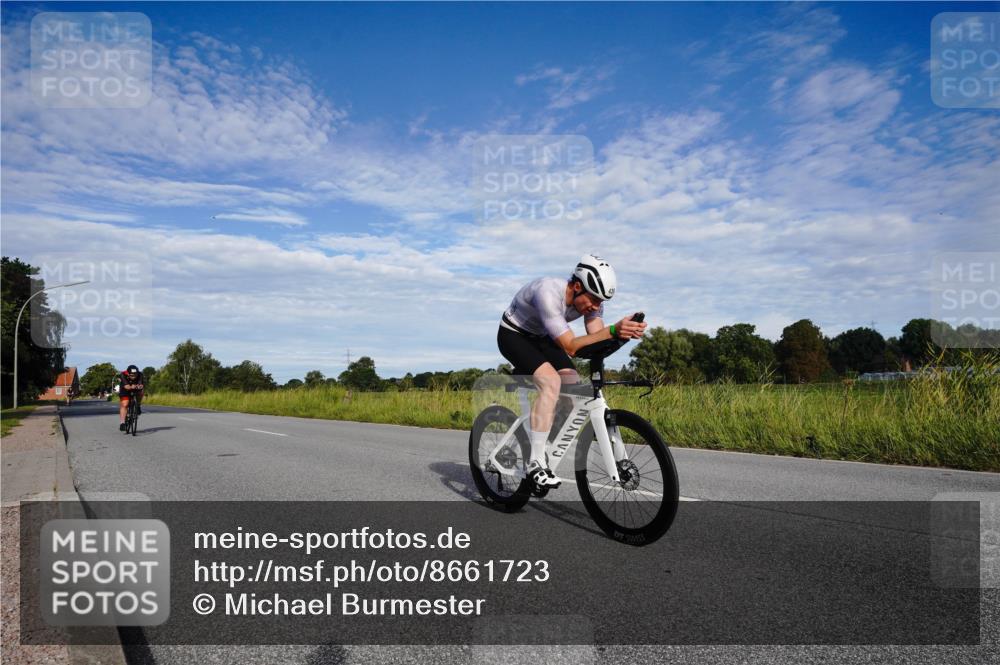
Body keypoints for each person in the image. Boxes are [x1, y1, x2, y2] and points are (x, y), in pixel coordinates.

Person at [497, 254, 647, 488]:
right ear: (577, 286)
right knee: (551, 382)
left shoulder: (589, 300)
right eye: (593, 300)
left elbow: (595, 336)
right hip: (513, 335)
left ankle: (542, 439)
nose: (596, 307)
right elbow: (570, 346)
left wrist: (623, 335)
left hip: (543, 337)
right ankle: (535, 461)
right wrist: (614, 330)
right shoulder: (547, 292)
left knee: (572, 383)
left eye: (600, 302)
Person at [118, 365, 144, 431]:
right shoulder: (123, 374)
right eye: (132, 375)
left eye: (135, 375)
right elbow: (126, 386)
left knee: (141, 392)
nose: (134, 376)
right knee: (125, 404)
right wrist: (131, 386)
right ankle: (122, 423)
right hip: (125, 389)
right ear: (128, 373)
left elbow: (140, 384)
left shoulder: (140, 374)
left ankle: (138, 405)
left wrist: (140, 386)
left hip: (135, 387)